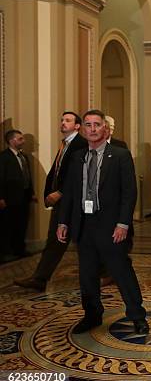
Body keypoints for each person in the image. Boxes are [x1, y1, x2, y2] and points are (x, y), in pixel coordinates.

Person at [57, 109, 148, 335]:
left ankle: (137, 316)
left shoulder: (119, 155)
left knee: (121, 272)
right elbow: (69, 193)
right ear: (83, 129)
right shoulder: (77, 157)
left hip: (111, 226)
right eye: (88, 125)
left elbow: (129, 193)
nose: (92, 129)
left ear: (104, 129)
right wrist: (63, 222)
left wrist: (123, 224)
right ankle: (92, 315)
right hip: (83, 225)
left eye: (97, 124)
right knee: (87, 275)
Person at [14, 112, 88, 291]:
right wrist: (49, 194)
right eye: (62, 120)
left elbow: (79, 175)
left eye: (68, 120)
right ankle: (40, 279)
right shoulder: (65, 144)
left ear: (77, 126)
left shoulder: (80, 144)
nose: (63, 123)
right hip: (61, 203)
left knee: (84, 241)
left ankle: (110, 270)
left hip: (72, 202)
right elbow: (57, 172)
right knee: (56, 241)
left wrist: (61, 193)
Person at [0, 130, 34, 260]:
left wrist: (31, 193)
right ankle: (6, 251)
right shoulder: (4, 157)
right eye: (20, 139)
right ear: (12, 141)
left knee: (22, 224)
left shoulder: (23, 156)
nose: (23, 141)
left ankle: (19, 249)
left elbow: (27, 176)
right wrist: (1, 197)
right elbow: (1, 178)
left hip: (24, 196)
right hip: (9, 198)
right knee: (8, 225)